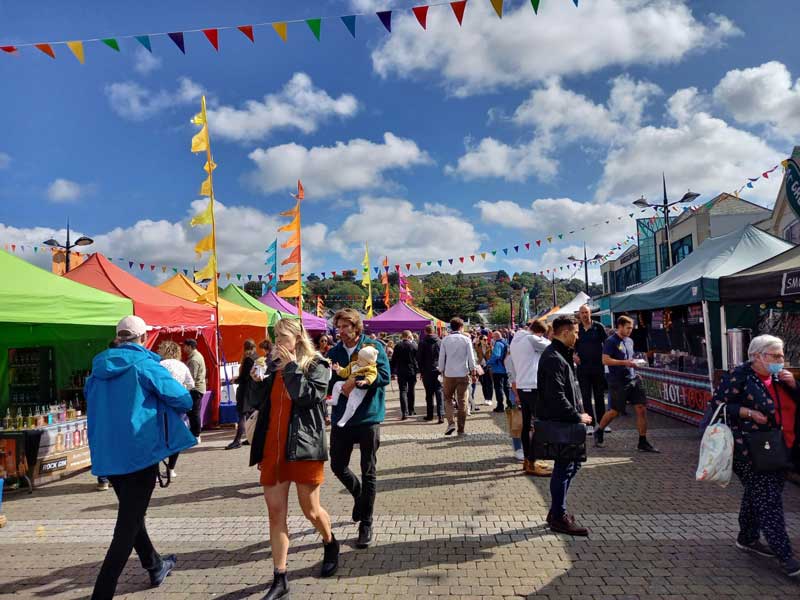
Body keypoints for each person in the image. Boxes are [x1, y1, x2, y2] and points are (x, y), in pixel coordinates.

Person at [86, 316, 196, 599]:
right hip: (140, 452)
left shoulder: (97, 369)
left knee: (132, 515)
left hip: (109, 455)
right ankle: (102, 592)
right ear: (144, 338)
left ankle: (154, 564)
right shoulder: (146, 365)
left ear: (118, 337)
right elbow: (184, 399)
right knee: (127, 525)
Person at [248, 318, 338, 599]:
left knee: (310, 510)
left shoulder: (317, 365)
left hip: (303, 448)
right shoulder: (273, 367)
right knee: (276, 514)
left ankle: (329, 541)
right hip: (273, 449)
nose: (276, 342)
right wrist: (256, 381)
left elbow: (309, 398)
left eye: (281, 336)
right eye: (274, 336)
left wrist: (289, 367)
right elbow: (259, 404)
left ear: (297, 339)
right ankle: (280, 576)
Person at [705, 334, 799, 578]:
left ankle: (747, 537)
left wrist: (793, 386)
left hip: (782, 448)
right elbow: (717, 407)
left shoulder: (780, 377)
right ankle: (786, 557)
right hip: (749, 449)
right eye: (775, 356)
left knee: (758, 493)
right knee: (768, 500)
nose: (781, 360)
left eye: (782, 355)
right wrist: (746, 412)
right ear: (756, 356)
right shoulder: (741, 376)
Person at [327, 308, 391, 549]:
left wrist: (358, 381)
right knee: (337, 464)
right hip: (342, 417)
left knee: (369, 470)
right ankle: (360, 497)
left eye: (345, 327)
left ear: (356, 327)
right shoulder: (333, 352)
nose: (341, 332)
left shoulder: (373, 348)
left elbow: (384, 375)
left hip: (368, 417)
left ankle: (366, 522)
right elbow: (329, 380)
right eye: (339, 327)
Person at [536, 316, 593, 536]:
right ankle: (558, 515)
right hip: (563, 422)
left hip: (567, 421)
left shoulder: (561, 355)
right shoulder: (554, 358)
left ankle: (556, 512)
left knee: (572, 465)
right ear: (565, 332)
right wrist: (576, 416)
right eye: (576, 332)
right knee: (564, 467)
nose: (577, 337)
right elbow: (556, 396)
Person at [594, 316, 659, 453]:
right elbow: (605, 360)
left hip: (633, 378)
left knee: (641, 408)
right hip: (617, 380)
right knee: (614, 411)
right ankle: (599, 430)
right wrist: (625, 363)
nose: (630, 330)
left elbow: (630, 359)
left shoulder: (630, 341)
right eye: (628, 328)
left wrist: (634, 367)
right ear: (620, 327)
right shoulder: (610, 341)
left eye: (631, 328)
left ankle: (642, 441)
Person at [510, 319, 553, 477]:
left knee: (526, 424)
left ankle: (528, 460)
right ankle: (532, 460)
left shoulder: (516, 339)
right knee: (541, 424)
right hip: (533, 386)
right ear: (540, 332)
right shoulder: (531, 339)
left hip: (522, 385)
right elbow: (552, 346)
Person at [157, 340, 195, 478]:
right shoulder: (182, 365)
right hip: (178, 406)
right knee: (176, 437)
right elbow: (191, 384)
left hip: (162, 405)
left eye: (160, 348)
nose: (158, 350)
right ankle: (171, 468)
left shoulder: (160, 365)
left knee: (159, 437)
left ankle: (156, 472)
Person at [438, 317, 477, 436]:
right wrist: (473, 371)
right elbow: (471, 358)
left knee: (448, 399)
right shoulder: (466, 340)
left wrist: (442, 370)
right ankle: (461, 429)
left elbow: (441, 357)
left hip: (449, 374)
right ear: (461, 327)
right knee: (462, 401)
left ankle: (451, 423)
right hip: (463, 373)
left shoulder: (445, 340)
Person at [574, 305, 608, 435]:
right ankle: (590, 423)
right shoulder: (577, 329)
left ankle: (602, 423)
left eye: (586, 312)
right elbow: (571, 345)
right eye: (582, 313)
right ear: (579, 314)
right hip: (583, 368)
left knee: (599, 396)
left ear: (590, 313)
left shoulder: (598, 327)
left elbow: (607, 344)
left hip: (598, 367)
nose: (584, 315)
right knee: (586, 397)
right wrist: (573, 355)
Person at [331, 346, 380, 426]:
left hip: (359, 389)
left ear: (368, 362)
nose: (358, 360)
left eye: (361, 359)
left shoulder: (370, 368)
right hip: (347, 383)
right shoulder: (354, 364)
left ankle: (344, 419)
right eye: (358, 358)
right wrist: (338, 369)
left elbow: (372, 376)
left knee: (352, 403)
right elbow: (345, 372)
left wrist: (365, 381)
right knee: (337, 384)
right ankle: (334, 400)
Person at [226, 339, 258, 450]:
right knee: (251, 415)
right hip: (253, 390)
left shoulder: (248, 359)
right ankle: (252, 437)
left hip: (245, 390)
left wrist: (235, 380)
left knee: (242, 415)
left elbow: (244, 377)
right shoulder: (256, 357)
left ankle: (237, 440)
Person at [417, 324, 444, 423]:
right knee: (439, 392)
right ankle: (441, 415)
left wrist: (421, 371)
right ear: (434, 331)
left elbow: (419, 358)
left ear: (425, 331)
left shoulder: (422, 342)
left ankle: (430, 415)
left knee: (429, 393)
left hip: (427, 370)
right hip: (438, 370)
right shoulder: (440, 342)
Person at [182, 339, 206, 443]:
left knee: (194, 413)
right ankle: (194, 433)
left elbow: (192, 378)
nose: (184, 348)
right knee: (193, 413)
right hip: (198, 388)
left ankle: (196, 435)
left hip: (195, 389)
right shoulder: (197, 356)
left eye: (185, 346)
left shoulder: (194, 360)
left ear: (190, 347)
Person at [391, 330, 419, 420]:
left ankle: (404, 412)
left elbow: (393, 360)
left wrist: (393, 372)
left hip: (401, 371)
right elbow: (417, 359)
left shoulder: (397, 346)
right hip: (412, 371)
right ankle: (411, 410)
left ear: (402, 336)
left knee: (402, 391)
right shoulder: (414, 345)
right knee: (411, 390)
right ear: (409, 336)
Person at [488, 331, 512, 412]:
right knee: (507, 387)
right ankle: (510, 404)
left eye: (493, 337)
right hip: (506, 368)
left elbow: (496, 355)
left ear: (495, 337)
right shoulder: (506, 343)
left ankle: (500, 406)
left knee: (498, 388)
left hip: (498, 369)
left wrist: (489, 363)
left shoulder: (498, 344)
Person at [474, 334, 494, 406]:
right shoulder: (477, 347)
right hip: (480, 367)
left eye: (486, 339)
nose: (486, 341)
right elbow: (475, 356)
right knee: (483, 383)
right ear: (481, 340)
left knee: (489, 383)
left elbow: (493, 356)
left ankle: (490, 399)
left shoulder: (490, 346)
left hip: (488, 366)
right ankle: (486, 398)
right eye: (484, 339)